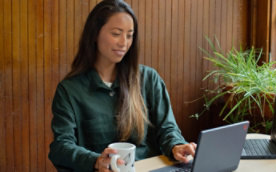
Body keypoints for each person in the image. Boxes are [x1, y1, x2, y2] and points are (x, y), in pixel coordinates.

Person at [48, 0, 196, 171]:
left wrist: (176, 145)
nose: (124, 43)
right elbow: (60, 147)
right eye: (116, 33)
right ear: (95, 34)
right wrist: (96, 161)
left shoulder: (149, 79)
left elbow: (167, 128)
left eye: (129, 35)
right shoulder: (70, 90)